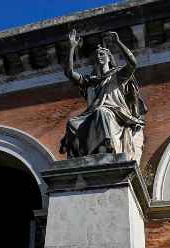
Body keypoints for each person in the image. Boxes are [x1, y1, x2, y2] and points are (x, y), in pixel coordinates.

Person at [60, 30, 146, 162]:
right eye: (96, 55)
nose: (98, 56)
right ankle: (77, 158)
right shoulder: (90, 81)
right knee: (72, 123)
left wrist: (118, 42)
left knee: (102, 112)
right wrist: (72, 47)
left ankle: (107, 147)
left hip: (115, 113)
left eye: (102, 54)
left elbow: (133, 63)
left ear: (108, 57)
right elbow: (69, 72)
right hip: (91, 115)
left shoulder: (117, 75)